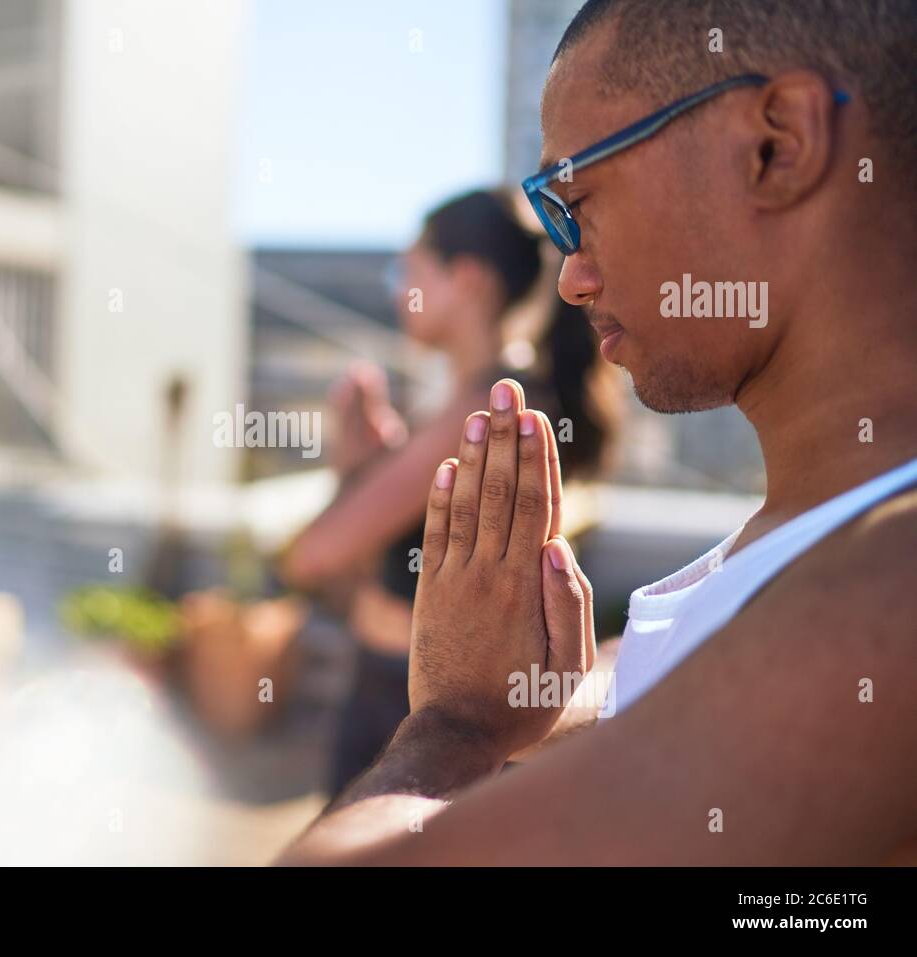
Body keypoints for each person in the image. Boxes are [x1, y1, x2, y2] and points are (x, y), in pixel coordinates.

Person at [280, 0, 917, 864]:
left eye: (574, 196)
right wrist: (546, 691)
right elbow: (686, 669)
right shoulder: (819, 544)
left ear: (778, 145)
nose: (573, 275)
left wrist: (454, 725)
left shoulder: (885, 594)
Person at [276, 190, 615, 795]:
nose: (396, 289)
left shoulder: (484, 410)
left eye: (408, 270)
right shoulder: (503, 395)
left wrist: (355, 471)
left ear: (466, 279)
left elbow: (312, 556)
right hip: (422, 697)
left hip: (409, 705)